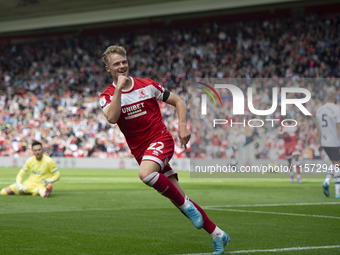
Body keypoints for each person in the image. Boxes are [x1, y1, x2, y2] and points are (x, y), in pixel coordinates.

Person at [99, 45, 230, 254]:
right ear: (108, 69)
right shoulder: (106, 96)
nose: (122, 66)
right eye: (117, 64)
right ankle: (218, 235)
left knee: (146, 175)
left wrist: (182, 126)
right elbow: (112, 118)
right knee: (178, 198)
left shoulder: (147, 85)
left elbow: (178, 101)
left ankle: (188, 206)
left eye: (124, 61)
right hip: (141, 151)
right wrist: (118, 90)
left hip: (160, 140)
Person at [315, 89, 340, 198]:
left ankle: (326, 181)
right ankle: (337, 192)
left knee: (335, 164)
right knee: (338, 165)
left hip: (325, 142)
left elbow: (318, 128)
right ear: (335, 98)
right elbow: (339, 128)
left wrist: (320, 142)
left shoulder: (320, 110)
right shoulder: (337, 109)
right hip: (335, 141)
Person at [278, 117, 302, 183]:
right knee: (289, 161)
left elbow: (298, 130)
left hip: (294, 143)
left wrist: (297, 135)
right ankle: (291, 174)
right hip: (287, 145)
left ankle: (298, 177)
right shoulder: (283, 126)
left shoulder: (295, 124)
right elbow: (279, 136)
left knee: (296, 157)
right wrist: (284, 136)